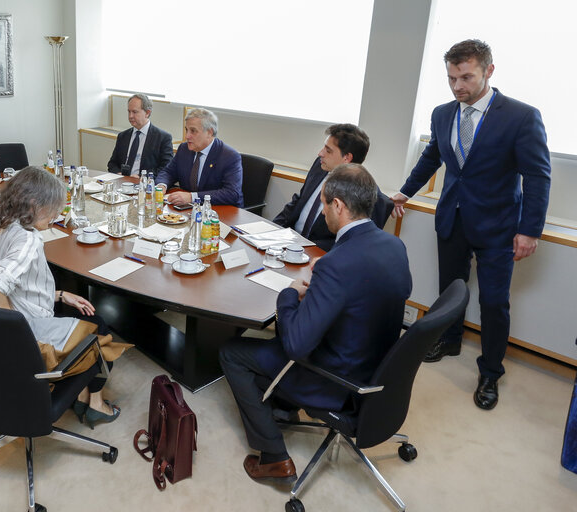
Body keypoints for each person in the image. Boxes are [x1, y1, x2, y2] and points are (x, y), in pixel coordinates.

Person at [220, 164, 412, 485]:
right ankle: (282, 407)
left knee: (232, 352)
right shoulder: (394, 246)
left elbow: (295, 345)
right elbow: (376, 293)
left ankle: (273, 457)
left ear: (338, 205)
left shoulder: (337, 264)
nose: (322, 212)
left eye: (324, 204)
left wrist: (290, 294)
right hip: (379, 366)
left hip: (337, 379)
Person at [390, 39, 551, 410]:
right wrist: (405, 192)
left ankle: (491, 372)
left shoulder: (522, 116)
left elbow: (538, 177)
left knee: (494, 303)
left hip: (500, 227)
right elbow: (431, 158)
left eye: (466, 77)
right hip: (453, 217)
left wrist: (530, 231)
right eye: (451, 78)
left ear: (488, 72)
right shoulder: (443, 113)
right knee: (452, 290)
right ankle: (449, 340)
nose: (457, 86)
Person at [0, 167, 132, 428]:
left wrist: (59, 295)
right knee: (101, 332)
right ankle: (94, 405)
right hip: (30, 337)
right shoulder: (28, 241)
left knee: (85, 313)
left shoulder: (2, 234)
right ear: (35, 204)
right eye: (54, 208)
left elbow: (19, 287)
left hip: (11, 330)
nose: (58, 215)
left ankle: (83, 395)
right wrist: (23, 339)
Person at [273, 124, 391, 250]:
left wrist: (303, 248)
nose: (320, 153)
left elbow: (354, 244)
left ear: (347, 158)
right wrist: (272, 229)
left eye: (328, 150)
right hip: (288, 240)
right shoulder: (320, 165)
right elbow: (300, 199)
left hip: (318, 253)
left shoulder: (364, 194)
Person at [156, 108, 243, 207]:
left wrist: (192, 197)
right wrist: (161, 186)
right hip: (190, 209)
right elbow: (169, 172)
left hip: (222, 212)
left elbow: (231, 194)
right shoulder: (184, 149)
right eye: (186, 130)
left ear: (209, 132)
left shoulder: (229, 156)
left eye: (193, 131)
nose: (187, 136)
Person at [107, 93, 173, 176]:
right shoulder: (123, 136)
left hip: (144, 184)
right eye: (129, 111)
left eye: (134, 112)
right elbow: (112, 164)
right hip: (122, 183)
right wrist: (119, 174)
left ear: (147, 113)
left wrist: (142, 177)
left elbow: (166, 168)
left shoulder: (163, 138)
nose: (130, 116)